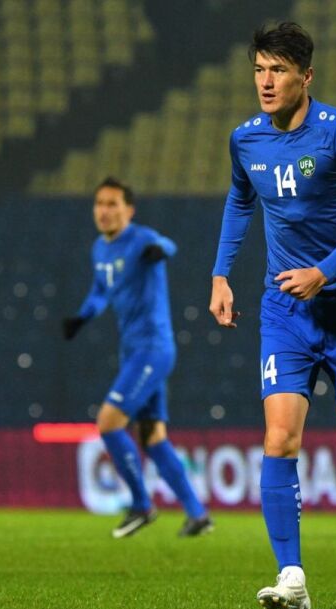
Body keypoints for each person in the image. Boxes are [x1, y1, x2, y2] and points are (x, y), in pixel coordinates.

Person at [209, 22, 336, 609]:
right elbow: (240, 199)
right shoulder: (245, 140)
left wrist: (325, 271)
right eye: (259, 70)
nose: (266, 82)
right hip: (285, 309)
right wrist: (220, 274)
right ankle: (291, 577)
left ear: (306, 76)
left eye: (279, 70)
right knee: (279, 437)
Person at [63, 177, 211, 539]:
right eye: (100, 203)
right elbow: (100, 291)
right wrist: (82, 316)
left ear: (128, 210)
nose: (104, 211)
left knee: (108, 422)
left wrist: (159, 250)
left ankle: (142, 506)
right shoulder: (99, 249)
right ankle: (197, 515)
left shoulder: (142, 238)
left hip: (152, 349)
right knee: (152, 437)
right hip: (132, 350)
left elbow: (168, 244)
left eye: (112, 204)